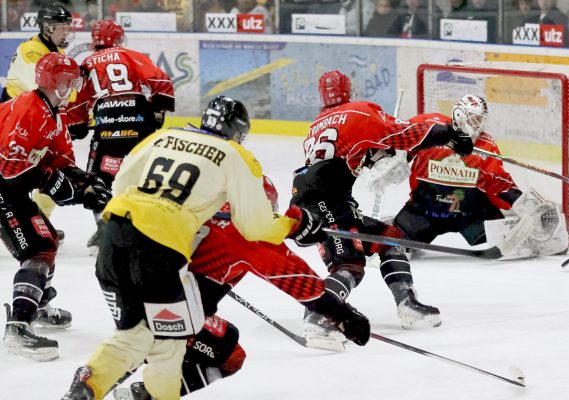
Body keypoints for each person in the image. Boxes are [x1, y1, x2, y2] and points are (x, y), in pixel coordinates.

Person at [61, 96, 326, 400]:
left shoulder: (165, 136)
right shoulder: (234, 154)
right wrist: (291, 224)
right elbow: (255, 227)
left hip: (113, 240)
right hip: (158, 253)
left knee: (132, 337)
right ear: (238, 132)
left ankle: (85, 388)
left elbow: (121, 185)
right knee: (168, 348)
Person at [112, 176, 370, 399]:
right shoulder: (249, 233)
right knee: (230, 353)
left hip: (128, 294)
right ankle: (149, 394)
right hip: (170, 312)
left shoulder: (202, 206)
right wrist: (345, 316)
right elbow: (304, 286)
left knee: (144, 347)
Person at [292, 70, 472, 349]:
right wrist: (448, 134)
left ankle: (407, 304)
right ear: (349, 90)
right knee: (348, 265)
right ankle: (319, 315)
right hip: (325, 201)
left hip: (319, 200)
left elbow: (356, 153)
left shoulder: (316, 124)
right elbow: (404, 133)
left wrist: (378, 154)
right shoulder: (360, 112)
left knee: (389, 240)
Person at [1, 53, 110, 362]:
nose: (68, 89)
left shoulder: (54, 115)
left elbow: (61, 159)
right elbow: (9, 169)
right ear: (49, 81)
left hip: (10, 188)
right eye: (63, 82)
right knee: (35, 250)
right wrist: (54, 184)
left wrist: (88, 184)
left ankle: (34, 303)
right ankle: (18, 325)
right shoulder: (27, 108)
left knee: (47, 240)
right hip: (2, 186)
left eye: (71, 83)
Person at [363, 95, 567, 259]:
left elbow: (499, 184)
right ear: (460, 115)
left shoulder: (485, 146)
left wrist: (525, 204)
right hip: (424, 212)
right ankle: (386, 227)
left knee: (507, 236)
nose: (479, 126)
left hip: (470, 216)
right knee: (394, 244)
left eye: (481, 120)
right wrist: (391, 161)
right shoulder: (430, 126)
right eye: (475, 119)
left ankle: (547, 237)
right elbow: (401, 140)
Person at [65, 19, 175, 255]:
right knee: (150, 174)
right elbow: (159, 79)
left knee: (98, 178)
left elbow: (80, 99)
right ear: (117, 38)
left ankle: (105, 231)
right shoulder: (130, 55)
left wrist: (78, 124)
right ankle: (154, 229)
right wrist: (158, 109)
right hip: (139, 121)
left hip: (107, 126)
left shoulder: (86, 63)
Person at [2, 3, 75, 245]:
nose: (66, 31)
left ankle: (40, 219)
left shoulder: (55, 52)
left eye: (68, 26)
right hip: (19, 116)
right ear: (46, 27)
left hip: (41, 116)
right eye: (61, 27)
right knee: (16, 175)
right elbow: (50, 86)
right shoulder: (31, 50)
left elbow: (63, 94)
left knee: (53, 169)